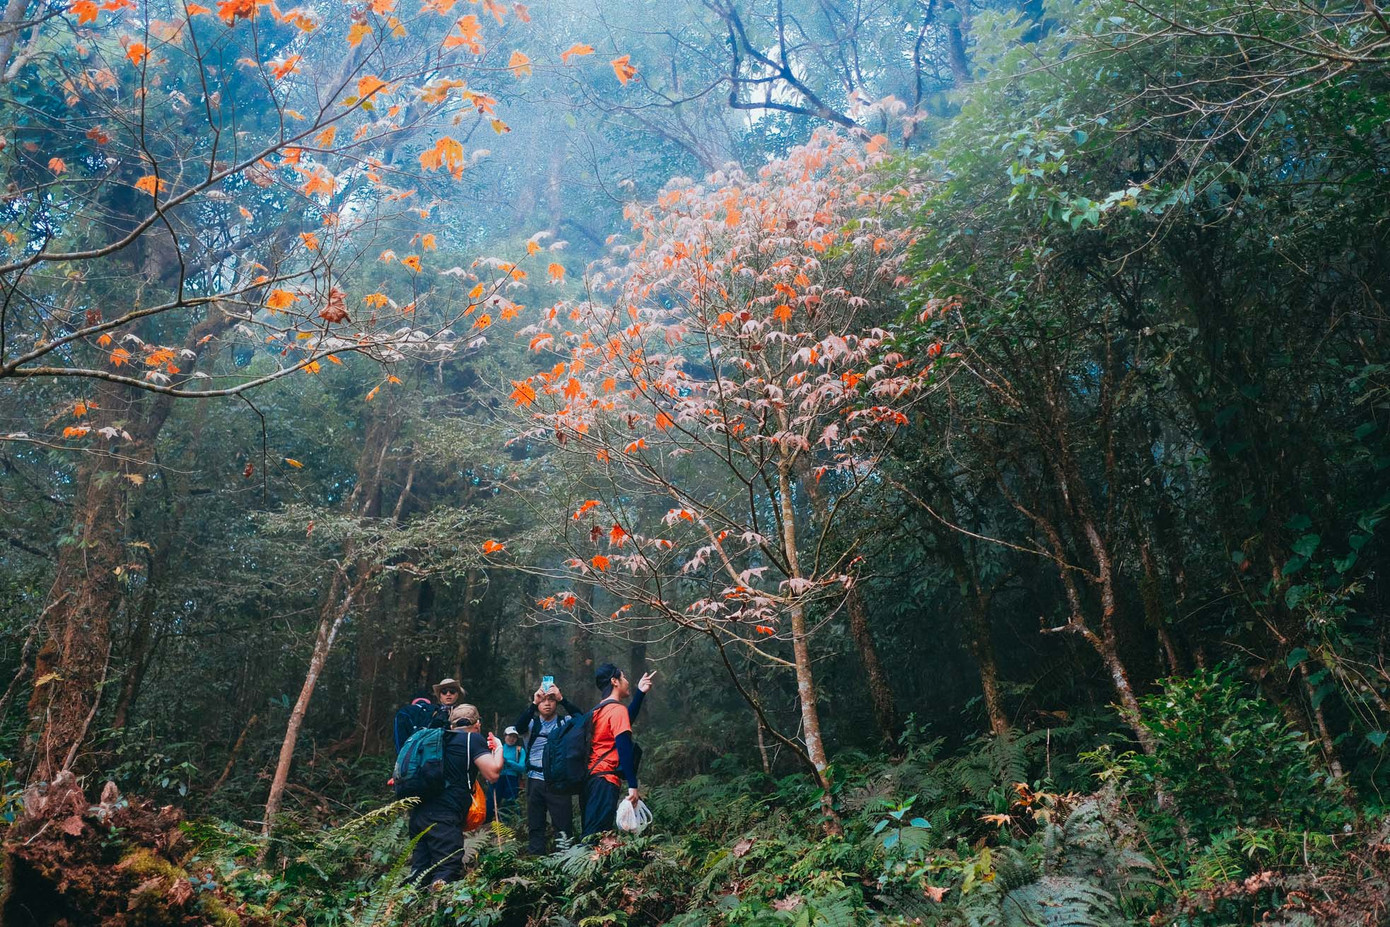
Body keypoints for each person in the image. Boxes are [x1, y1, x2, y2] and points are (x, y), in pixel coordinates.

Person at [408, 703, 502, 885]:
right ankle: (440, 908)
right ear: (478, 724)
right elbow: (493, 773)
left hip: (418, 813)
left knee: (420, 871)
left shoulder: (438, 739)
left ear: (451, 725)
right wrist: (498, 748)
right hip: (444, 815)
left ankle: (408, 907)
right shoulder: (472, 739)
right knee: (447, 867)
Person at [581, 664, 656, 840]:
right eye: (624, 677)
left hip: (591, 780)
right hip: (605, 780)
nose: (627, 681)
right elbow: (624, 749)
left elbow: (625, 720)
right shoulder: (617, 710)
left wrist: (640, 693)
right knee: (596, 837)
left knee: (592, 832)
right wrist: (632, 786)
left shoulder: (599, 710)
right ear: (615, 681)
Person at [513, 684, 582, 853]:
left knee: (563, 824)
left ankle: (564, 859)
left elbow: (581, 719)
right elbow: (518, 727)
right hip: (535, 779)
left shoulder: (564, 722)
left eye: (551, 699)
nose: (547, 703)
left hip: (558, 781)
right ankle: (536, 860)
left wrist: (562, 699)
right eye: (543, 700)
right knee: (536, 824)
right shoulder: (531, 725)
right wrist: (532, 703)